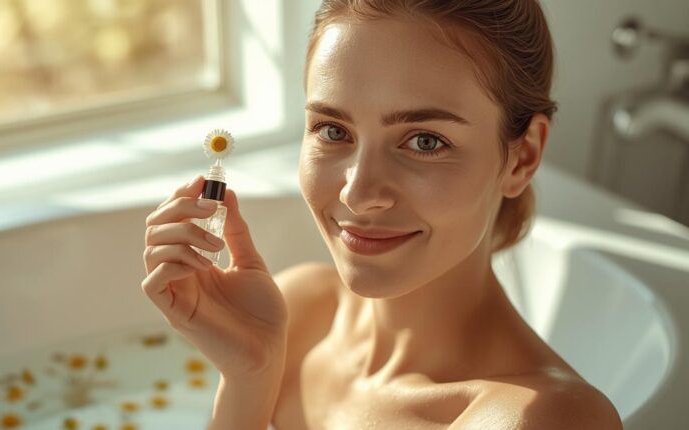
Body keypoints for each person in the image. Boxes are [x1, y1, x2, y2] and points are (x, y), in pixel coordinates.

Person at [142, 1, 624, 428]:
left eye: (425, 141)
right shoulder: (297, 314)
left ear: (522, 157)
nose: (358, 193)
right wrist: (250, 376)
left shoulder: (542, 418)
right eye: (333, 130)